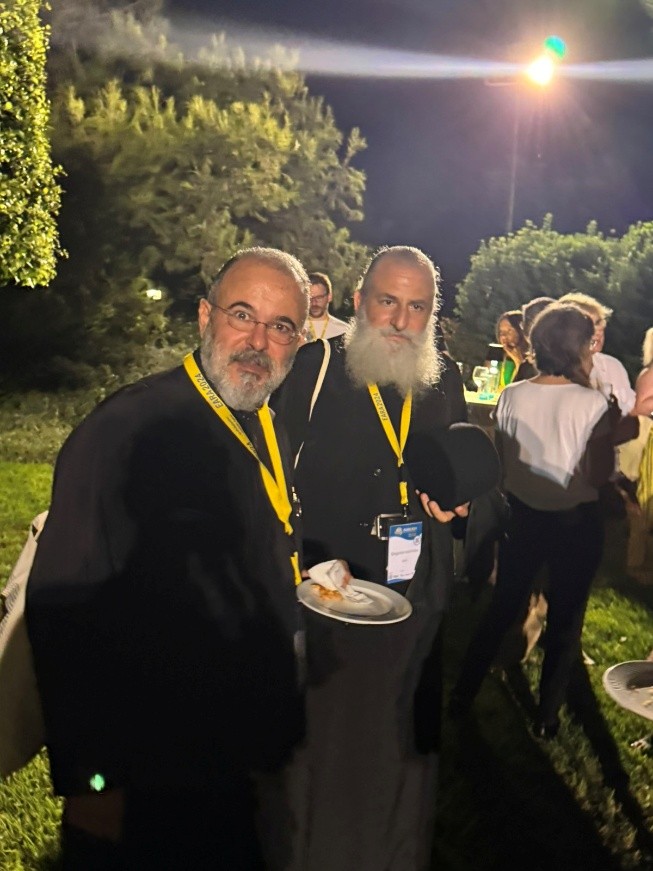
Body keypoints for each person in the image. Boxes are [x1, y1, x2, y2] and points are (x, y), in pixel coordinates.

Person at [25, 248, 310, 870]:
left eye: (281, 326)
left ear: (299, 340)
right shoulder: (127, 429)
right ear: (205, 316)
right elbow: (61, 605)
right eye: (242, 314)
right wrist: (93, 782)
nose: (258, 341)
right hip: (149, 768)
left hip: (237, 753)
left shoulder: (265, 421)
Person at [271, 245, 469, 871]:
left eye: (418, 307)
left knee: (399, 740)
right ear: (359, 302)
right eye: (388, 301)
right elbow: (265, 470)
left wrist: (463, 506)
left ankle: (391, 851)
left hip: (413, 592)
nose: (401, 320)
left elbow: (462, 479)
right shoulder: (312, 368)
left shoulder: (444, 379)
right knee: (323, 741)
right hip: (327, 588)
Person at [450, 304, 618, 737]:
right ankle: (546, 716)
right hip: (575, 524)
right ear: (578, 347)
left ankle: (463, 693)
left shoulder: (512, 395)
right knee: (566, 620)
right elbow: (599, 475)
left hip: (522, 517)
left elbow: (502, 465)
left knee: (502, 607)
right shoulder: (594, 403)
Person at [558, 291, 636, 414]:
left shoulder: (612, 366)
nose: (598, 330)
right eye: (588, 325)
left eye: (599, 322)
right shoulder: (553, 371)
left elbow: (631, 409)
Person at [303, 271, 348, 341]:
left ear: (329, 297)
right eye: (310, 298)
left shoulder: (343, 331)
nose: (314, 303)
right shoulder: (297, 330)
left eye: (319, 297)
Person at [495, 309, 536, 386]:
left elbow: (521, 385)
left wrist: (518, 362)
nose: (503, 336)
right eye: (501, 332)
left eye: (509, 330)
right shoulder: (502, 356)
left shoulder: (532, 359)